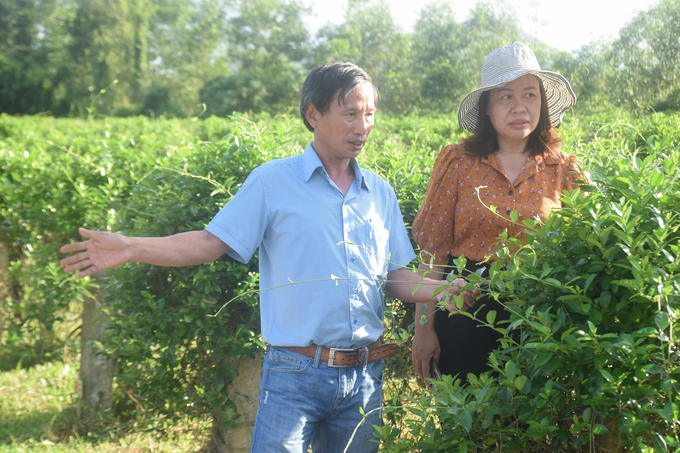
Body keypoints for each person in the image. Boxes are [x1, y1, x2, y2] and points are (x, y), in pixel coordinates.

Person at [60, 62, 461, 453]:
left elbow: (394, 276)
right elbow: (207, 243)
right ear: (313, 114)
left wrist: (442, 291)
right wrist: (132, 246)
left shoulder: (380, 192)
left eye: (370, 114)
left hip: (364, 378)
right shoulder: (272, 182)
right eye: (350, 113)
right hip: (295, 375)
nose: (362, 127)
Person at [411, 42, 581, 384]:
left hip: (538, 317)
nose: (520, 107)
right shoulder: (457, 162)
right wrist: (423, 330)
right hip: (465, 312)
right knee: (468, 428)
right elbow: (433, 255)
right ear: (487, 107)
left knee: (536, 429)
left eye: (530, 95)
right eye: (506, 96)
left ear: (543, 104)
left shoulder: (564, 170)